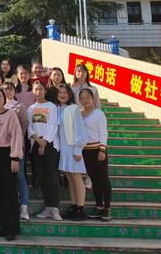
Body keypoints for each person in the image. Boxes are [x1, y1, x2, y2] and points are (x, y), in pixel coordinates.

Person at [0, 88, 24, 241]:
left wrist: (15, 158)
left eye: (0, 96)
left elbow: (16, 136)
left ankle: (12, 228)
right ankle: (3, 227)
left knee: (9, 193)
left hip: (7, 155)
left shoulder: (11, 114)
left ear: (4, 98)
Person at [28, 81, 62, 221]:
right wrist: (37, 141)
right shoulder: (30, 108)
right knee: (41, 177)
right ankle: (48, 207)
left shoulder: (52, 107)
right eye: (36, 89)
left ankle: (55, 208)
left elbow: (53, 125)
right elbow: (30, 127)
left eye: (41, 89)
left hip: (50, 144)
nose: (38, 92)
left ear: (45, 90)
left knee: (53, 177)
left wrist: (44, 143)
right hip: (36, 144)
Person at [80, 88, 112, 222]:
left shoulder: (99, 114)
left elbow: (103, 132)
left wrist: (102, 149)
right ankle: (98, 206)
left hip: (98, 149)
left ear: (93, 99)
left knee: (103, 179)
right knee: (94, 179)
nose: (85, 100)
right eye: (83, 98)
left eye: (88, 98)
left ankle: (107, 209)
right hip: (85, 151)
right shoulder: (79, 114)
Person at [57, 83, 88, 221]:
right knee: (70, 178)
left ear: (70, 95)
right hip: (64, 148)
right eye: (60, 92)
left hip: (73, 148)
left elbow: (80, 130)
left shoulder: (74, 109)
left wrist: (78, 149)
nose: (62, 95)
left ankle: (80, 208)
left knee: (76, 177)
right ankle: (74, 206)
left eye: (65, 93)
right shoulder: (59, 109)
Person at [2, 81, 30, 221]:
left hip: (17, 147)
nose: (8, 91)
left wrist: (17, 139)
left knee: (20, 176)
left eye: (10, 89)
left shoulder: (20, 107)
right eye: (5, 89)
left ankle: (24, 205)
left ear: (14, 91)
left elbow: (24, 125)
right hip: (2, 148)